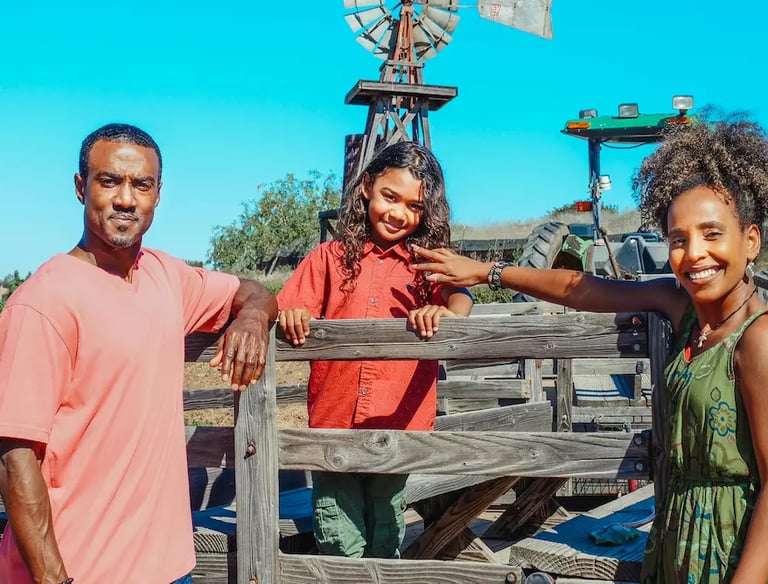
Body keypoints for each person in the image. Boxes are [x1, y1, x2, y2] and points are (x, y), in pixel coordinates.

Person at [411, 115, 768, 583]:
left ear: (751, 241)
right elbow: (579, 286)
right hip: (677, 539)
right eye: (678, 240)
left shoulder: (757, 340)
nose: (694, 253)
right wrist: (488, 273)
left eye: (712, 234)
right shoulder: (682, 312)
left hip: (733, 549)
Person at [0, 123, 278, 584]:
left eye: (141, 184)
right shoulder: (42, 302)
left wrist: (252, 319)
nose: (126, 198)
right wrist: (54, 579)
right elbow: (13, 457)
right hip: (79, 570)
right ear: (80, 187)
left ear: (158, 194)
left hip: (168, 566)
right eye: (109, 180)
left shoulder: (166, 277)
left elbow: (254, 292)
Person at [277, 141, 473, 558]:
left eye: (414, 207)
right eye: (390, 196)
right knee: (338, 538)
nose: (399, 213)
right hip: (334, 428)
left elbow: (461, 300)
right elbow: (291, 308)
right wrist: (292, 315)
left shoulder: (426, 266)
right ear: (366, 187)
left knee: (386, 535)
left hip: (396, 428)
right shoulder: (329, 258)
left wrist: (445, 313)